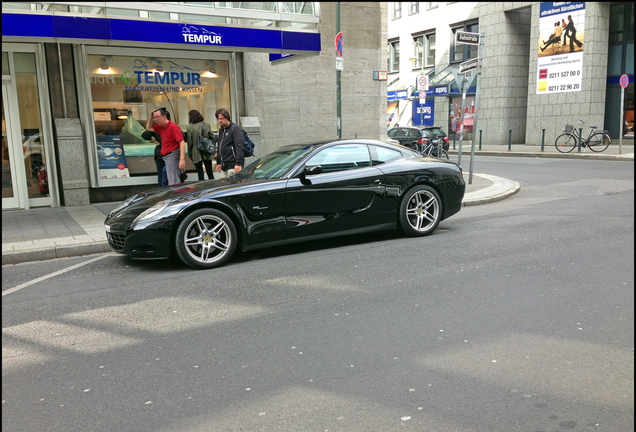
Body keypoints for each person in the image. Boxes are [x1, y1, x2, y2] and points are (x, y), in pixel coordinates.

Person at [145, 107, 186, 185]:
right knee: (170, 180)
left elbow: (182, 142)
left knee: (173, 181)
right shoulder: (161, 127)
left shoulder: (173, 127)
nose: (156, 120)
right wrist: (151, 116)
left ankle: (176, 196)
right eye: (155, 118)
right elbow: (148, 128)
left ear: (164, 116)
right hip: (167, 157)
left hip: (172, 155)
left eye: (157, 117)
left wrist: (182, 159)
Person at [186, 110, 216, 181]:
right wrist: (213, 149)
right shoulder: (207, 125)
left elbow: (190, 143)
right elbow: (212, 138)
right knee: (210, 172)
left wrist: (190, 155)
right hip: (207, 150)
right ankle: (213, 187)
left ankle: (202, 189)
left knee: (200, 174)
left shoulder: (190, 128)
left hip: (196, 152)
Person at [214, 108, 244, 178]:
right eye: (218, 119)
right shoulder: (221, 130)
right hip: (223, 165)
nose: (220, 121)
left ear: (227, 118)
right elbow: (220, 146)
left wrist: (238, 164)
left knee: (233, 186)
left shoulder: (235, 129)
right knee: (223, 186)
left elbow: (239, 146)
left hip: (233, 165)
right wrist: (218, 162)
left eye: (222, 118)